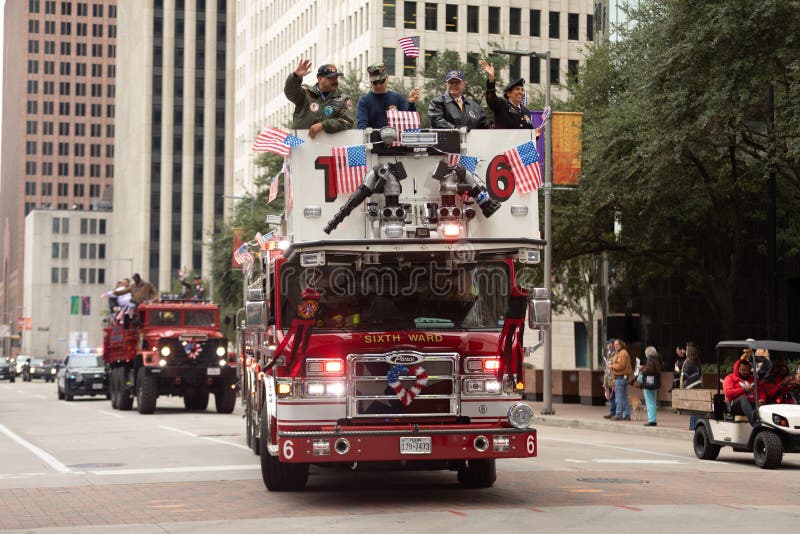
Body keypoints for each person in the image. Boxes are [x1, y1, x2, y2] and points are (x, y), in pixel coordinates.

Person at [284, 59, 355, 138]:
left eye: (336, 77)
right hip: (302, 145)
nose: (335, 81)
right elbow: (290, 92)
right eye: (330, 78)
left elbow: (348, 122)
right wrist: (295, 76)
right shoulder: (306, 93)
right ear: (320, 79)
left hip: (329, 147)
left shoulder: (343, 99)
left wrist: (323, 125)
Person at [356, 63, 420, 129]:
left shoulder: (398, 98)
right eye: (375, 82)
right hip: (373, 138)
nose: (378, 85)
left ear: (387, 77)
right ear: (370, 81)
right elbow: (362, 126)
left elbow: (409, 122)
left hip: (395, 138)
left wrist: (411, 103)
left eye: (381, 81)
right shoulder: (364, 101)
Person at [479, 59, 534, 129]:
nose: (521, 92)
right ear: (508, 93)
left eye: (522, 90)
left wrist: (536, 134)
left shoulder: (526, 112)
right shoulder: (502, 106)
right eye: (517, 89)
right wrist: (491, 79)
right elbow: (491, 99)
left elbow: (529, 132)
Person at [723, 357, 765, 422]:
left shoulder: (753, 379)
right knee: (743, 398)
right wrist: (744, 390)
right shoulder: (730, 378)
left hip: (753, 404)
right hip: (735, 406)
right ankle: (754, 421)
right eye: (743, 370)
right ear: (737, 369)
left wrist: (762, 399)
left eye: (748, 370)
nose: (746, 372)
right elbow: (728, 393)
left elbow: (762, 391)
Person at [609, 338, 632, 421]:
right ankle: (627, 414)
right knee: (624, 397)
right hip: (622, 377)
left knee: (618, 397)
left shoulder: (622, 353)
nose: (615, 346)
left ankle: (618, 414)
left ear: (621, 344)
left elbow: (621, 365)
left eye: (617, 344)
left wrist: (612, 366)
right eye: (614, 345)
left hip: (620, 377)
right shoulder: (620, 353)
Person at [640, 346, 662, 426]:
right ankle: (653, 419)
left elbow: (648, 370)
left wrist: (642, 368)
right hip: (654, 383)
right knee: (653, 401)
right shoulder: (657, 360)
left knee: (649, 402)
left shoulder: (649, 360)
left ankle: (651, 420)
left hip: (649, 384)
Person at [602, 340, 617, 419]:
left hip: (613, 378)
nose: (609, 346)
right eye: (608, 345)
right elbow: (606, 370)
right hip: (608, 378)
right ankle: (612, 412)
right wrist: (605, 382)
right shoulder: (609, 354)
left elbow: (615, 367)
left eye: (610, 345)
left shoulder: (616, 354)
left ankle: (616, 413)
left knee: (615, 397)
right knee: (611, 397)